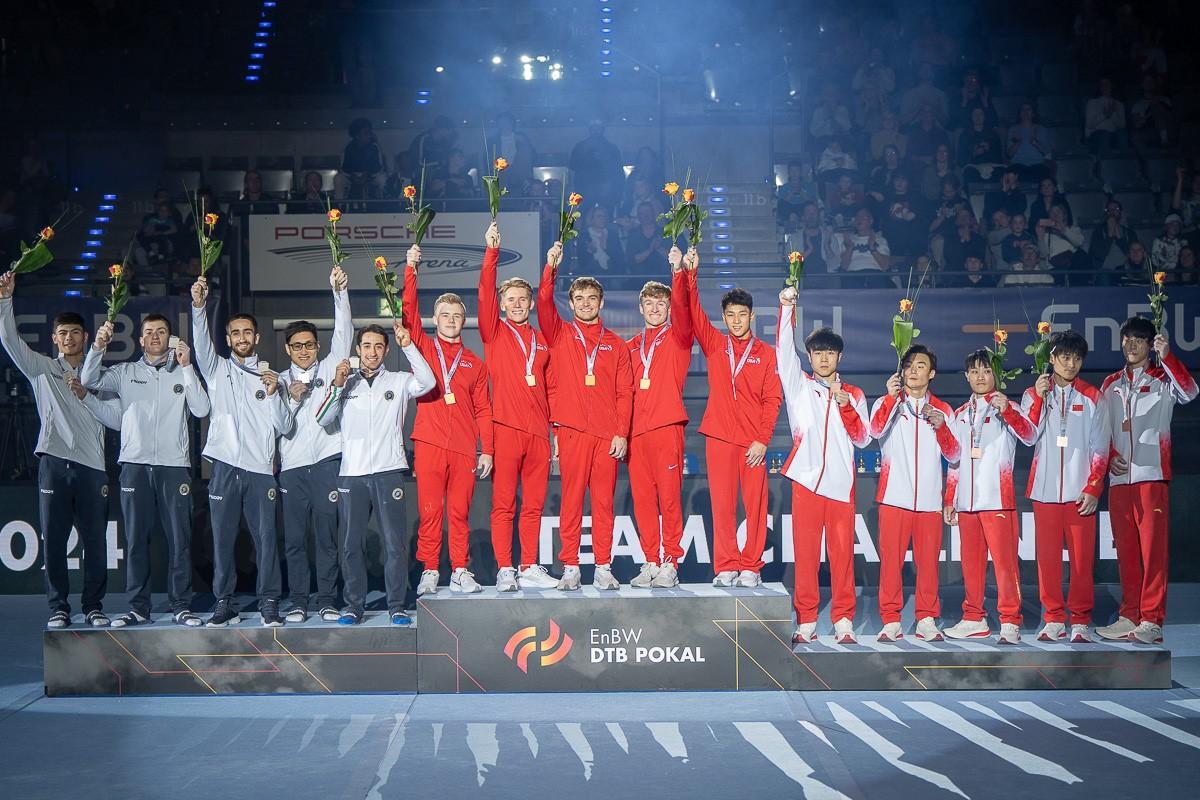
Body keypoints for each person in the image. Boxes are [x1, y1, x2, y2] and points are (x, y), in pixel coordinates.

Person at [0, 274, 122, 628]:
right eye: (62, 334)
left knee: (95, 542)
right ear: (54, 339)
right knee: (54, 541)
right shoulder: (42, 370)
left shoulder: (99, 377)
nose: (68, 339)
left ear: (85, 337)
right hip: (53, 463)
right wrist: (6, 300)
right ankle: (58, 608)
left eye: (74, 333)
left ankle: (94, 605)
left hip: (92, 468)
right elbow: (9, 339)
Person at [81, 314, 210, 628]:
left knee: (180, 539)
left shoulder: (183, 371)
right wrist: (98, 346)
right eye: (149, 332)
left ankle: (181, 605)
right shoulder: (126, 372)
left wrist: (188, 366)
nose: (155, 336)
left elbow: (202, 409)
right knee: (137, 539)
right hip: (135, 467)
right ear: (140, 340)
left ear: (170, 338)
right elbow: (88, 380)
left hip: (174, 467)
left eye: (161, 331)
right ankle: (138, 607)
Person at [315, 320, 436, 625]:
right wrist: (338, 385)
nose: (372, 351)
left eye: (378, 346)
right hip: (351, 474)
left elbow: (429, 382)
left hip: (388, 472)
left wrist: (408, 345)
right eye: (366, 346)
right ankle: (354, 606)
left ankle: (397, 605)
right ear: (358, 349)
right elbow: (323, 419)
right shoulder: (347, 383)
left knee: (394, 544)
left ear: (386, 350)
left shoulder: (398, 381)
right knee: (351, 544)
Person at [190, 277, 291, 627]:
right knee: (222, 541)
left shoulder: (272, 377)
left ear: (257, 338)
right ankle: (224, 602)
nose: (242, 338)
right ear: (228, 338)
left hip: (261, 470)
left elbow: (285, 427)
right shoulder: (217, 370)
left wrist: (276, 392)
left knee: (266, 541)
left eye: (247, 332)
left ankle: (269, 603)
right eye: (235, 333)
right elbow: (201, 346)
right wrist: (198, 307)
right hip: (224, 468)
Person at [537, 242, 634, 590]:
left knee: (604, 503)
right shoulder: (560, 333)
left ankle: (603, 566)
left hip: (607, 435)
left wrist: (621, 432)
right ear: (572, 302)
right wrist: (551, 267)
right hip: (573, 431)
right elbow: (543, 303)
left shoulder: (616, 345)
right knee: (572, 500)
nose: (585, 303)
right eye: (579, 298)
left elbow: (626, 392)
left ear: (601, 302)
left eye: (591, 298)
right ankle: (571, 567)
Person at [777, 292, 869, 645]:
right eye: (818, 352)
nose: (824, 357)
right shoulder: (798, 386)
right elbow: (784, 350)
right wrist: (787, 306)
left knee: (842, 556)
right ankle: (807, 620)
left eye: (830, 352)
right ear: (810, 356)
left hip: (841, 484)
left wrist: (845, 405)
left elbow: (862, 439)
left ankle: (843, 618)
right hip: (805, 482)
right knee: (806, 556)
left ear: (839, 356)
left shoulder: (855, 394)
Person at [684, 254, 782, 588]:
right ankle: (726, 564)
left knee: (756, 506)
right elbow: (694, 313)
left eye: (742, 314)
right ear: (723, 317)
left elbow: (773, 399)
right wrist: (690, 273)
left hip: (753, 442)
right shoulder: (715, 345)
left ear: (752, 316)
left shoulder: (766, 354)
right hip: (720, 436)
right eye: (730, 315)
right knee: (722, 505)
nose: (736, 320)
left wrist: (764, 438)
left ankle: (751, 566)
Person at [402, 246, 495, 596]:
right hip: (428, 443)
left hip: (463, 448)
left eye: (457, 315)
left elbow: (485, 409)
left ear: (464, 319)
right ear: (435, 319)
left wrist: (486, 450)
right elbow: (407, 314)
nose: (451, 320)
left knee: (459, 512)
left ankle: (459, 570)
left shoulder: (475, 362)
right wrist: (411, 269)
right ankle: (429, 569)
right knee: (430, 512)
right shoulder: (424, 348)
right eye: (445, 315)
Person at [1099, 318, 1197, 644]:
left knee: (1153, 553)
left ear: (1149, 344)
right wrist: (1110, 453)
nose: (1132, 345)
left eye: (1139, 340)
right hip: (1118, 480)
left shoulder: (1162, 379)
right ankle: (1129, 614)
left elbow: (1190, 391)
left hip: (1151, 476)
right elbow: (1101, 430)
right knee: (1126, 552)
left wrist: (1168, 357)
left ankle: (1152, 620)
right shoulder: (1110, 384)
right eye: (1127, 339)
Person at [477, 222, 558, 591]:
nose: (517, 305)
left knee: (534, 506)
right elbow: (484, 296)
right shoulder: (493, 332)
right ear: (503, 304)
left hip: (538, 434)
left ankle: (528, 564)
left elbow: (551, 389)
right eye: (510, 300)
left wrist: (553, 432)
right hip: (506, 429)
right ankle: (505, 568)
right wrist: (492, 253)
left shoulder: (542, 341)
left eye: (522, 299)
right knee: (504, 504)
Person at [942, 349, 1036, 644]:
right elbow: (955, 460)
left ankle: (1010, 620)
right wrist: (950, 498)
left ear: (995, 374)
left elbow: (1030, 436)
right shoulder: (959, 415)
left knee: (1005, 564)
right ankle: (974, 617)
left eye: (986, 371)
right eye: (975, 371)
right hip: (967, 503)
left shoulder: (1008, 408)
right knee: (970, 564)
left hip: (998, 500)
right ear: (967, 376)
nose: (980, 377)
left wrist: (1007, 410)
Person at [1021, 330, 1110, 643]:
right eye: (1064, 357)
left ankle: (1081, 620)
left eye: (1076, 358)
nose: (1070, 364)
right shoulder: (1033, 394)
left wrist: (1093, 487)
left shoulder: (1093, 396)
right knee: (1047, 561)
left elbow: (1101, 447)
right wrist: (1038, 398)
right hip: (1044, 492)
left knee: (1082, 561)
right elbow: (1028, 436)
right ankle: (1053, 618)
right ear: (1052, 359)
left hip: (1078, 492)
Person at [276, 266, 352, 623]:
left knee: (325, 537)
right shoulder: (276, 382)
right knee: (293, 541)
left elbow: (344, 332)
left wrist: (339, 293)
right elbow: (278, 425)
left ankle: (325, 599)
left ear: (318, 347)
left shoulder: (328, 369)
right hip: (291, 469)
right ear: (287, 349)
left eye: (309, 344)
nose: (304, 350)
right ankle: (297, 602)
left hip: (326, 463)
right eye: (297, 345)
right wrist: (288, 398)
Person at [869, 345, 959, 641]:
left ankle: (926, 618)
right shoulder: (887, 402)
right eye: (908, 365)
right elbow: (875, 431)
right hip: (894, 497)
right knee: (890, 564)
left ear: (931, 373)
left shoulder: (944, 410)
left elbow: (955, 454)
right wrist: (890, 400)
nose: (913, 370)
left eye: (920, 365)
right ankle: (891, 620)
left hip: (930, 501)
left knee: (929, 565)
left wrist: (942, 428)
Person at [625, 247, 694, 589]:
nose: (655, 309)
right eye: (649, 304)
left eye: (661, 305)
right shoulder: (630, 347)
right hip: (637, 434)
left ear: (668, 309)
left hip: (667, 428)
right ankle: (650, 561)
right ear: (641, 308)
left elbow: (685, 310)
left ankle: (670, 561)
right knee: (643, 502)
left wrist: (677, 272)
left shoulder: (680, 339)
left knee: (669, 500)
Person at [568, 120, 625, 212]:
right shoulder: (580, 147)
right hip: (584, 192)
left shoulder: (611, 149)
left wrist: (615, 191)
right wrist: (574, 192)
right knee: (582, 216)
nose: (596, 130)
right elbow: (572, 170)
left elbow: (618, 173)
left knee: (605, 217)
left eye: (598, 127)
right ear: (590, 130)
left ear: (603, 129)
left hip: (606, 194)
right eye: (593, 127)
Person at [831, 208, 892, 289]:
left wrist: (872, 248)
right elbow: (843, 267)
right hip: (853, 276)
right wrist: (849, 248)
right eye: (857, 217)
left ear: (871, 221)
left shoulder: (880, 240)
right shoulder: (849, 240)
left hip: (875, 275)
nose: (859, 219)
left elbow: (885, 266)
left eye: (863, 217)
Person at [334, 117, 387, 200]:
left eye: (370, 133)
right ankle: (339, 207)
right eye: (366, 133)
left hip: (371, 176)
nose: (369, 135)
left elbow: (379, 167)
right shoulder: (349, 147)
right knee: (338, 179)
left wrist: (367, 175)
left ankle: (385, 205)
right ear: (357, 135)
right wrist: (353, 176)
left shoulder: (374, 147)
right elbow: (344, 168)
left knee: (382, 179)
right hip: (352, 177)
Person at [486, 111, 537, 188]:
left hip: (521, 178)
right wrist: (506, 168)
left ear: (512, 123)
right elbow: (488, 160)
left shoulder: (521, 138)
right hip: (502, 178)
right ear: (498, 124)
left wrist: (525, 143)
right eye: (501, 122)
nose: (504, 125)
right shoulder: (492, 141)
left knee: (521, 197)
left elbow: (533, 157)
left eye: (506, 122)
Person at [1090, 199, 1140, 275]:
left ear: (1121, 212)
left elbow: (1133, 255)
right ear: (1106, 213)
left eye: (1116, 209)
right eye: (1109, 209)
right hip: (1104, 271)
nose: (1112, 211)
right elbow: (1099, 255)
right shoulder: (1098, 232)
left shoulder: (1129, 233)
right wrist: (1110, 235)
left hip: (1126, 270)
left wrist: (1119, 237)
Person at [1036, 203, 1087, 276]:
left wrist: (1064, 230)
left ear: (1064, 215)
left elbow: (1079, 243)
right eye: (1052, 213)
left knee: (1081, 255)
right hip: (1056, 269)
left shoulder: (1073, 229)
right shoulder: (1046, 234)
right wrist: (1040, 238)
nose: (1055, 215)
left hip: (1073, 266)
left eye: (1058, 212)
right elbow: (1043, 255)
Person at [1006, 103, 1052, 183]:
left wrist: (1035, 142)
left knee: (1043, 176)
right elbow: (1009, 154)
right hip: (1018, 165)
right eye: (1023, 109)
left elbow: (1047, 152)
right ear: (1020, 114)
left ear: (1033, 114)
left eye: (1028, 109)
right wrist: (1018, 142)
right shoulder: (1013, 129)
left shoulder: (1041, 129)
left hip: (1037, 165)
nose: (1025, 112)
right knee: (1012, 176)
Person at [1085, 78, 1127, 163]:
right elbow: (1089, 124)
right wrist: (1104, 115)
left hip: (1114, 134)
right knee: (1105, 135)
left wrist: (1112, 114)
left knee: (1122, 135)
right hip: (1096, 135)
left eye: (1107, 84)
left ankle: (1123, 164)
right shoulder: (1092, 102)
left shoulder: (1119, 104)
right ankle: (1101, 165)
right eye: (1102, 84)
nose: (1105, 87)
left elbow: (1122, 125)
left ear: (1112, 86)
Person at [576, 205, 626, 277]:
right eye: (599, 216)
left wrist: (605, 247)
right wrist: (590, 251)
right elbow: (582, 261)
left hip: (612, 272)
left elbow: (619, 258)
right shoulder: (584, 236)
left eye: (604, 216)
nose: (602, 219)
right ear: (591, 219)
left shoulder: (612, 235)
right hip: (591, 272)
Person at [958, 107, 1004, 184]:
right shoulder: (964, 135)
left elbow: (999, 158)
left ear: (984, 117)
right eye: (975, 114)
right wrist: (974, 153)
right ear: (971, 117)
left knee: (1000, 172)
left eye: (980, 114)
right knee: (969, 173)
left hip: (992, 166)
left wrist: (989, 149)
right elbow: (961, 159)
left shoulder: (993, 134)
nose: (978, 117)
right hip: (973, 167)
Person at [625, 201, 669, 270]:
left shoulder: (665, 232)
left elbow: (675, 259)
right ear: (638, 216)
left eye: (648, 212)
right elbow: (632, 261)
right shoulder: (633, 235)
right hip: (640, 278)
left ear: (653, 213)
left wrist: (659, 248)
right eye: (642, 213)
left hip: (663, 277)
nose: (646, 215)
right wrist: (650, 250)